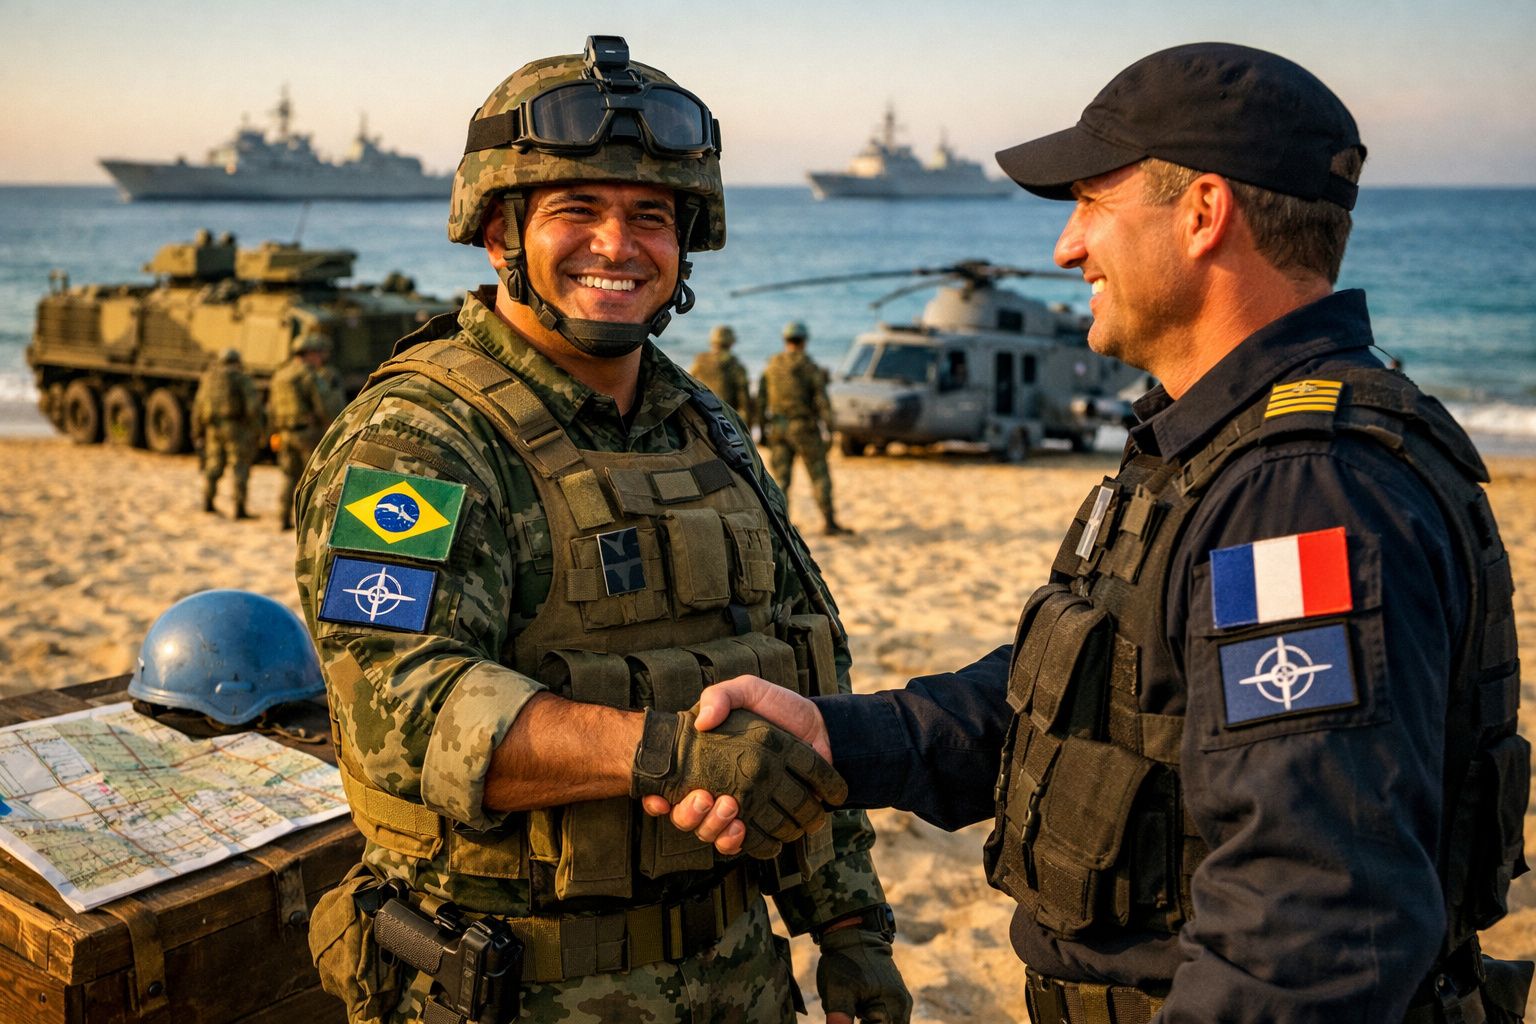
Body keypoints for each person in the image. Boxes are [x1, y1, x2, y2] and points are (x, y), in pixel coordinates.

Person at [667, 42, 1530, 1022]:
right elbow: (1105, 690)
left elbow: (1309, 925)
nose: (1066, 248)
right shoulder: (1220, 449)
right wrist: (842, 736)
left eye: (1090, 203)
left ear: (1204, 214)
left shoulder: (1301, 493)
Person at [293, 36, 909, 1024]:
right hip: (516, 988)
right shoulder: (417, 440)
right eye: (576, 210)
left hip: (736, 975)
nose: (618, 247)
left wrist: (850, 931)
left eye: (650, 217)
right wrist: (665, 751)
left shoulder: (704, 427)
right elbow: (397, 707)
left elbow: (802, 668)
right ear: (500, 232)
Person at [760, 321, 848, 535]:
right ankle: (829, 522)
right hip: (805, 429)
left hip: (778, 428)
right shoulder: (809, 367)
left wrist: (762, 429)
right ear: (804, 341)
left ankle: (781, 526)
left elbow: (761, 400)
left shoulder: (771, 365)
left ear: (785, 340)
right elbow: (822, 401)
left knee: (781, 480)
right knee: (819, 475)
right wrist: (830, 430)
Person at [269, 331, 332, 530]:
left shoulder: (280, 374)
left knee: (288, 475)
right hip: (308, 434)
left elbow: (271, 407)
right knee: (313, 479)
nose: (321, 358)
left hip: (285, 433)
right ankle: (309, 524)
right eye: (319, 354)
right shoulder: (308, 375)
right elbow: (323, 406)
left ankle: (282, 517)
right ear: (309, 354)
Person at [190, 347, 259, 519]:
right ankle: (239, 508)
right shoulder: (242, 378)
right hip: (236, 428)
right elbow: (253, 408)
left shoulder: (209, 379)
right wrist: (254, 428)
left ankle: (208, 501)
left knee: (213, 465)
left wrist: (197, 432)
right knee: (239, 467)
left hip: (213, 429)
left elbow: (198, 407)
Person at [689, 324, 753, 422]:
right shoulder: (735, 365)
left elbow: (688, 386)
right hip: (726, 420)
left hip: (701, 417)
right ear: (731, 343)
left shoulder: (699, 362)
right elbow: (744, 401)